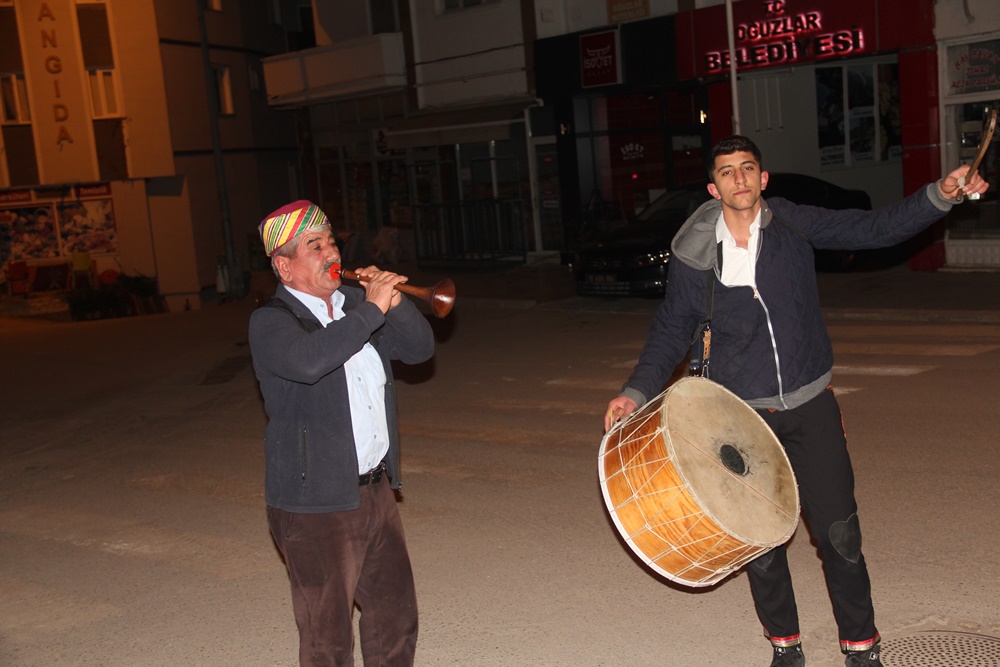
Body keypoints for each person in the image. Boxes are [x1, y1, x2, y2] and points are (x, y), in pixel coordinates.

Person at [603, 136, 988, 667]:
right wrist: (635, 392)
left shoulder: (791, 224)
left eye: (748, 168)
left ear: (763, 180)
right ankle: (785, 646)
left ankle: (861, 646)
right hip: (738, 418)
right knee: (760, 544)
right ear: (714, 189)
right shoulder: (695, 255)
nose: (739, 178)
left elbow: (872, 229)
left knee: (839, 534)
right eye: (727, 172)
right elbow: (671, 329)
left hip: (810, 405)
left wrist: (939, 195)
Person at [249, 200, 435, 666]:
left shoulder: (354, 307)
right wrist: (371, 310)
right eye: (315, 245)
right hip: (313, 505)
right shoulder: (271, 322)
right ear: (285, 266)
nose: (330, 251)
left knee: (395, 618)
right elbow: (311, 361)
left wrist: (395, 302)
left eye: (331, 240)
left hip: (374, 492)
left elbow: (419, 349)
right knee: (327, 639)